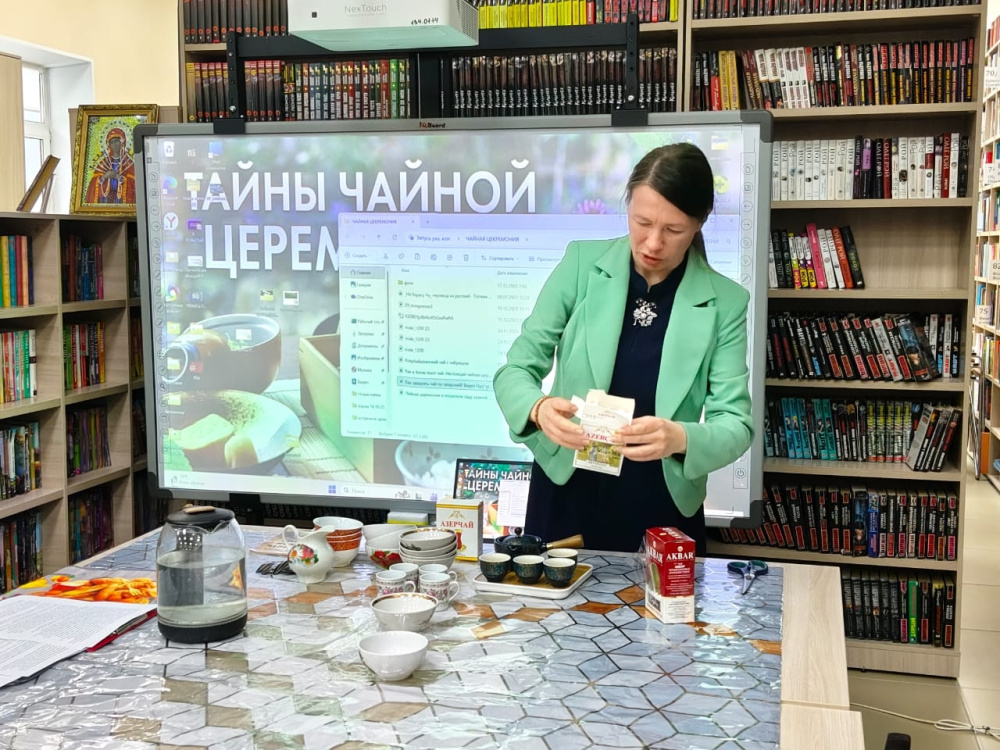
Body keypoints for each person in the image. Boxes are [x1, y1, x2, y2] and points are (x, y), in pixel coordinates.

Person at [493, 143, 754, 554]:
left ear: (700, 222)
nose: (653, 243)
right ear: (628, 205)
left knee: (663, 600)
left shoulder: (725, 302)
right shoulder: (581, 265)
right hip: (566, 486)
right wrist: (538, 409)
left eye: (673, 230)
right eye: (642, 222)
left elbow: (736, 424)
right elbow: (515, 371)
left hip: (662, 499)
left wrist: (680, 437)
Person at [85, 127, 136, 205]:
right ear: (109, 145)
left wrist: (118, 178)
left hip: (121, 200)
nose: (114, 144)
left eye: (116, 141)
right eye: (111, 142)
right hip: (105, 199)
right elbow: (94, 184)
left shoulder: (129, 163)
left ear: (122, 142)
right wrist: (104, 176)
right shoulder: (103, 163)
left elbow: (134, 185)